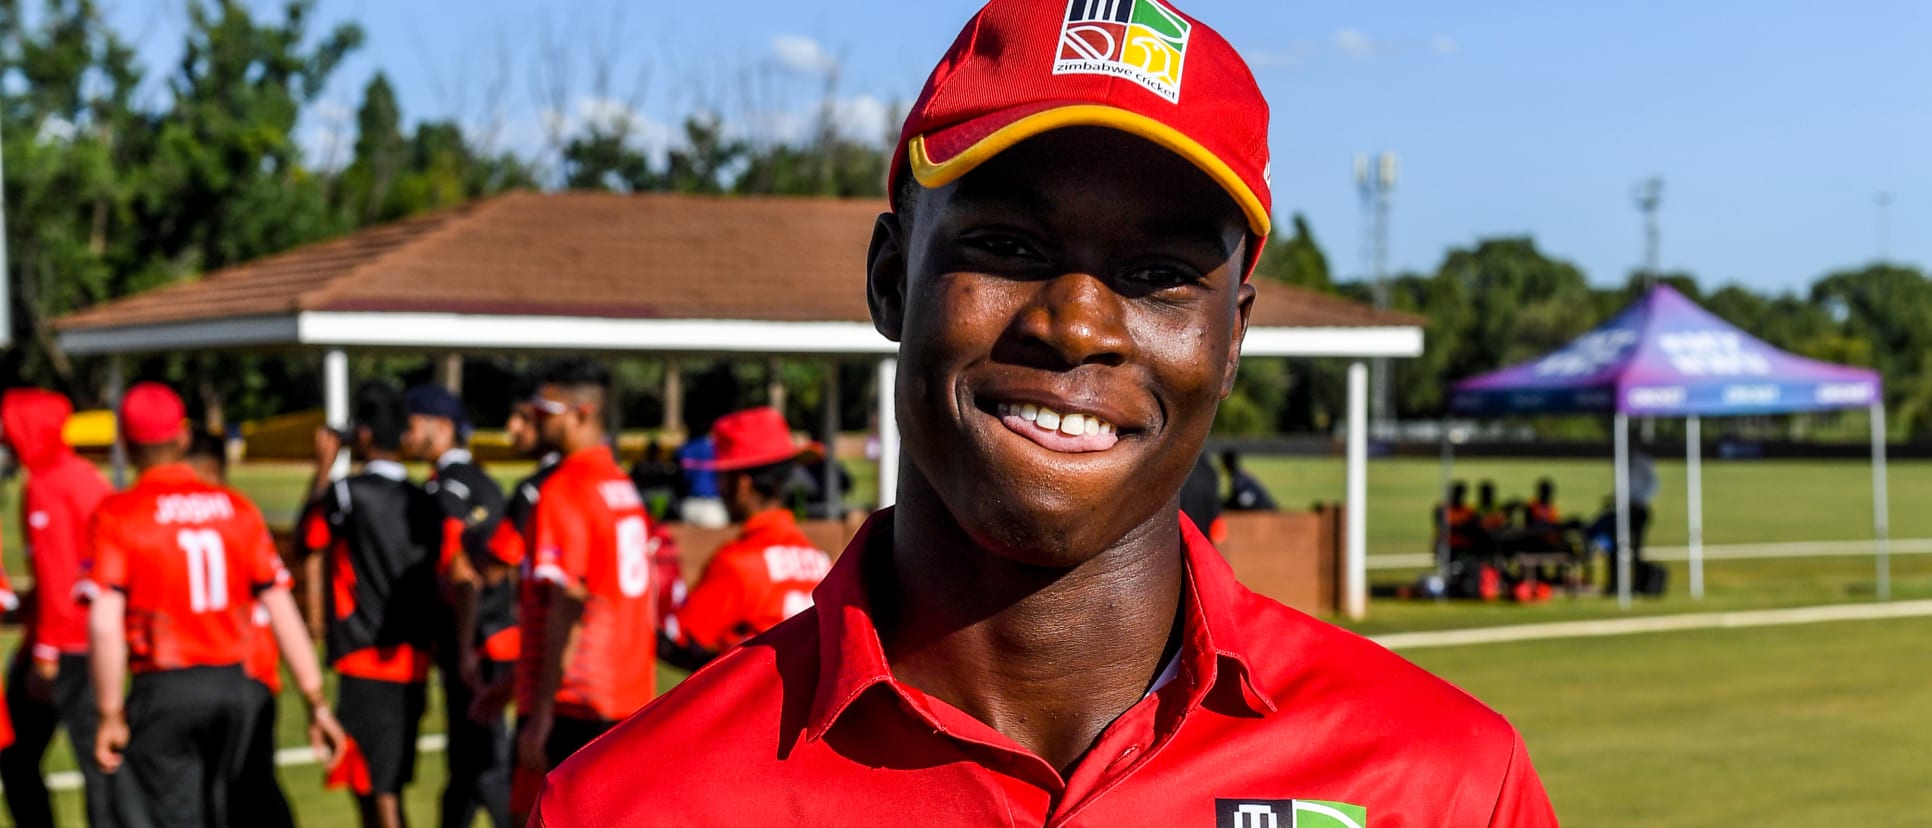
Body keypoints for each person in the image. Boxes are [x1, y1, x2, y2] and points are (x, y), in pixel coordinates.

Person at [534, 2, 1556, 825]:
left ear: (1232, 337)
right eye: (1012, 248)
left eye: (1157, 275)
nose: (1076, 326)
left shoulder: (1444, 783)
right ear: (892, 281)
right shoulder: (635, 802)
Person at [87, 383, 344, 827]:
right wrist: (316, 700)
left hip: (166, 686)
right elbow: (282, 608)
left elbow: (105, 623)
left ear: (126, 445)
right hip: (237, 685)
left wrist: (109, 711)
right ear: (183, 436)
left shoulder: (120, 513)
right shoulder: (235, 508)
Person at [510, 360, 656, 825]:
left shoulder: (565, 487)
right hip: (628, 694)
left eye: (547, 411)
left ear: (582, 413)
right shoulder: (619, 483)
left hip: (576, 699)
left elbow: (565, 603)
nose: (537, 420)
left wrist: (541, 712)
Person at [297, 382, 442, 828]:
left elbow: (309, 538)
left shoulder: (346, 494)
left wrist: (322, 470)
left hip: (364, 657)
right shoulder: (428, 500)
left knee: (376, 792)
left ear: (361, 436)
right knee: (388, 783)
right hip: (414, 658)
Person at [0, 388, 118, 828]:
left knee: (85, 762)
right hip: (82, 637)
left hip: (69, 646)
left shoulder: (48, 484)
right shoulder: (79, 473)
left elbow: (59, 578)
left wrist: (45, 654)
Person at [401, 385, 514, 828]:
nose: (405, 435)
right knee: (467, 767)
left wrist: (462, 646)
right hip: (497, 635)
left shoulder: (445, 489)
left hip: (473, 642)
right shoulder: (482, 480)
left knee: (482, 763)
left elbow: (461, 574)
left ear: (441, 426)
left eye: (411, 424)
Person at [659, 407, 831, 670]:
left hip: (759, 707)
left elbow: (681, 639)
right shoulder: (819, 559)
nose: (718, 487)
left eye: (721, 476)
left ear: (742, 484)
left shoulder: (738, 562)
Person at [184, 429, 296, 828]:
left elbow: (272, 594)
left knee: (245, 788)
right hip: (237, 672)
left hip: (242, 669)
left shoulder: (234, 516)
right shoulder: (235, 514)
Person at [674, 431, 728, 528]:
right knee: (715, 540)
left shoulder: (688, 447)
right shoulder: (717, 448)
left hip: (689, 503)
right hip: (712, 504)